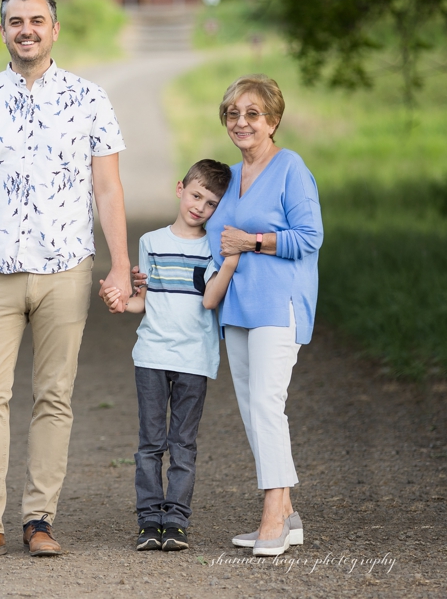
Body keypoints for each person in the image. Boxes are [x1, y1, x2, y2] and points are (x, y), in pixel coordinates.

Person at [0, 0, 131, 561]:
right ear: (2, 31)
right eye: (15, 21)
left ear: (55, 28)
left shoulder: (90, 99)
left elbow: (108, 186)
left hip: (67, 266)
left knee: (54, 396)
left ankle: (39, 518)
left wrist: (120, 264)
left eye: (37, 20)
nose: (27, 30)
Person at [204, 74, 323, 558]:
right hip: (237, 308)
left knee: (267, 406)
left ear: (272, 120)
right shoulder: (230, 178)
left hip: (279, 305)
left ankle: (272, 516)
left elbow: (310, 237)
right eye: (233, 113)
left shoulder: (290, 167)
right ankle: (288, 514)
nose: (241, 122)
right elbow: (211, 239)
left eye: (252, 113)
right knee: (254, 411)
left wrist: (253, 242)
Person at [98, 160, 232, 552]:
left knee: (183, 444)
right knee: (150, 443)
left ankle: (175, 521)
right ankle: (148, 520)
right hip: (153, 355)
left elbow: (209, 299)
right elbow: (144, 302)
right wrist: (120, 300)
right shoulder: (152, 242)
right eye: (195, 196)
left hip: (194, 357)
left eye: (210, 204)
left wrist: (232, 261)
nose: (199, 207)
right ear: (180, 189)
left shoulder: (215, 248)